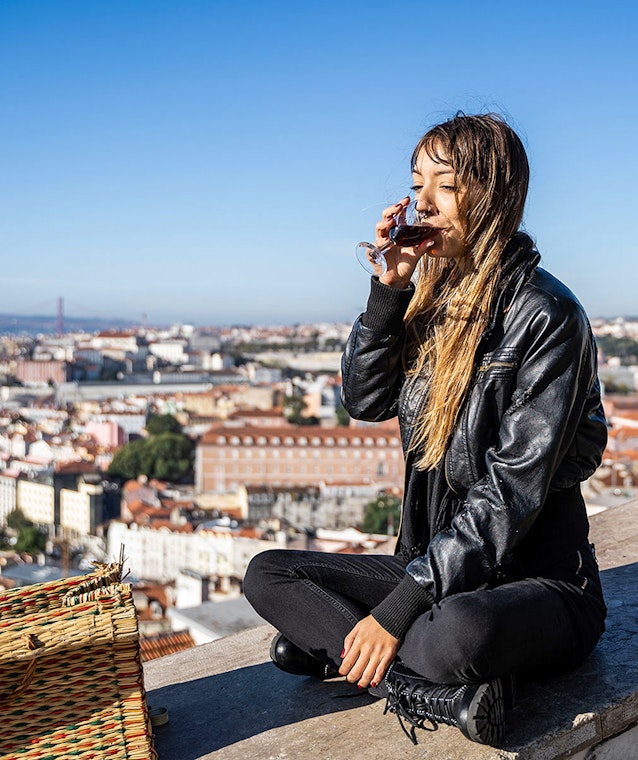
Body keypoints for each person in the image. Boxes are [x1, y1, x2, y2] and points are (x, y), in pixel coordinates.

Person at [243, 112, 607, 746]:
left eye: (445, 183)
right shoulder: (432, 301)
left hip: (534, 585)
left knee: (455, 634)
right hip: (431, 567)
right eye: (417, 185)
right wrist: (387, 293)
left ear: (491, 192)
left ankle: (347, 650)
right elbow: (365, 399)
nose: (424, 202)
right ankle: (434, 693)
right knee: (267, 575)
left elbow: (510, 494)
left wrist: (397, 609)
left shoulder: (549, 316)